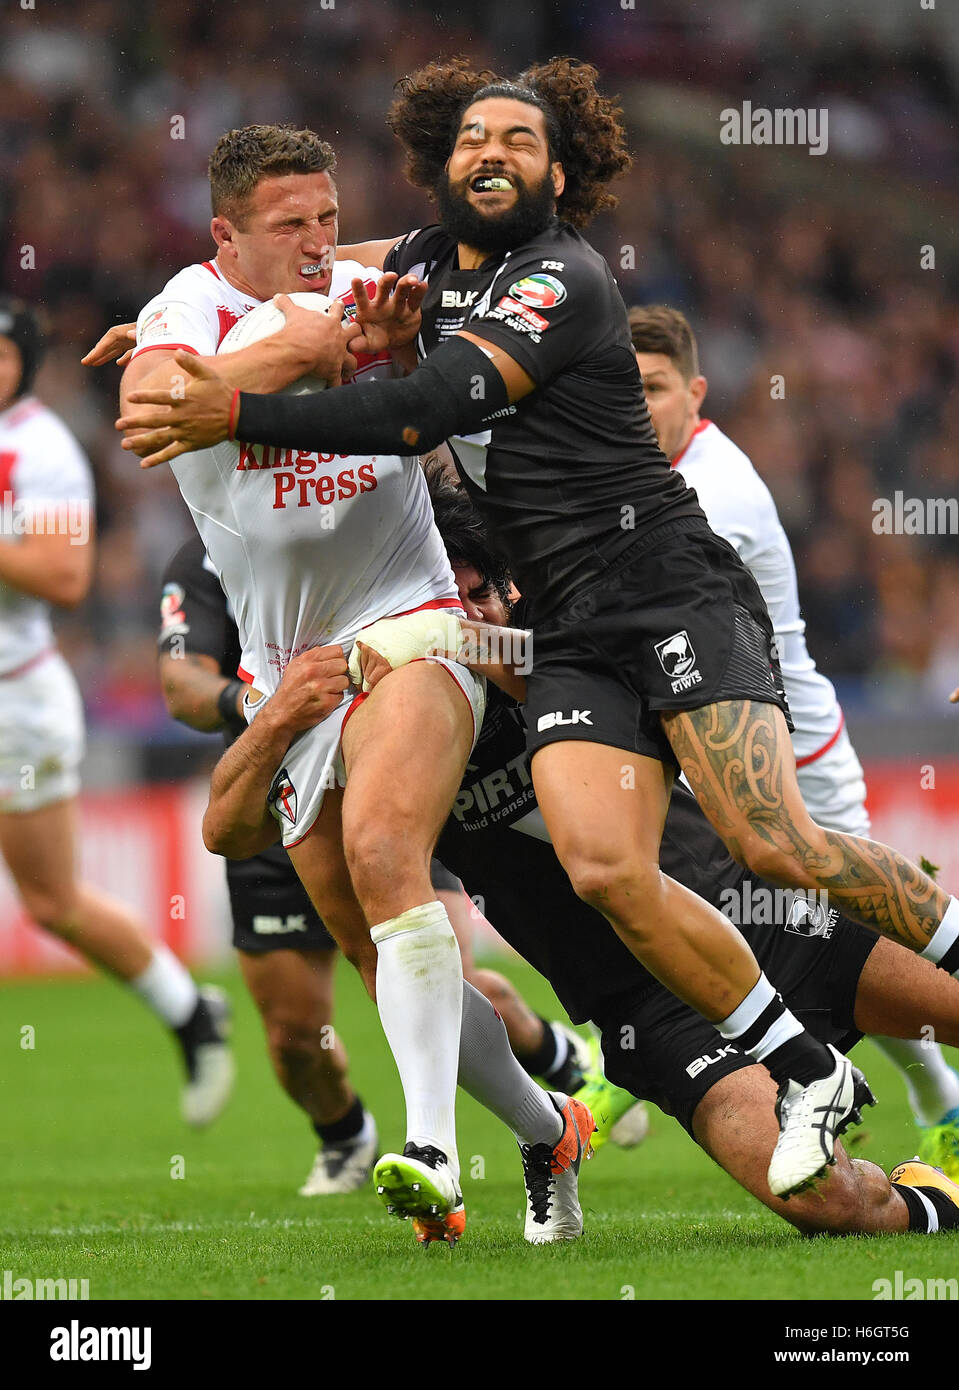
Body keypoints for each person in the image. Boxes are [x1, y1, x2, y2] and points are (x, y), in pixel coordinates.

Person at [118, 60, 959, 1201]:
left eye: (521, 139)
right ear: (439, 163)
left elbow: (423, 406)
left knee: (778, 849)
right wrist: (184, 329)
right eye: (473, 136)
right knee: (607, 879)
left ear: (559, 173)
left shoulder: (554, 279)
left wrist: (231, 398)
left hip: (662, 624)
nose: (492, 153)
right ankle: (826, 1102)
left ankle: (445, 1146)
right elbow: (323, 278)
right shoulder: (418, 273)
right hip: (627, 892)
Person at [204, 477, 959, 1240]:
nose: (459, 617)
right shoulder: (373, 721)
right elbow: (228, 828)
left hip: (759, 914)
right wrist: (279, 716)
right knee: (825, 1207)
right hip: (649, 1010)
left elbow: (556, 660)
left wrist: (445, 637)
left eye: (473, 596)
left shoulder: (552, 654)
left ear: (510, 589)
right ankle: (938, 1200)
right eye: (439, 604)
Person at [107, 122, 592, 1244]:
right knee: (382, 956)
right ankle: (545, 1125)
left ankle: (429, 1152)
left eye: (330, 218)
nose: (321, 244)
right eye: (292, 227)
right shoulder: (187, 305)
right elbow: (149, 405)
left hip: (415, 616)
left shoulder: (376, 291)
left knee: (386, 853)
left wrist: (376, 343)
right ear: (226, 237)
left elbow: (493, 264)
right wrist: (301, 349)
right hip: (298, 672)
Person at [629, 302, 959, 1175]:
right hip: (719, 762)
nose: (637, 405)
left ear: (694, 394)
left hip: (796, 766)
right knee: (758, 938)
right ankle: (908, 1096)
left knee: (855, 949)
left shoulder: (716, 492)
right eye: (622, 388)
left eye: (654, 387)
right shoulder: (642, 476)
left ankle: (603, 1079)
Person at [0, 296, 233, 1127]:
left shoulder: (39, 449)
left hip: (14, 700)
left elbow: (65, 576)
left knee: (54, 901)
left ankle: (187, 1007)